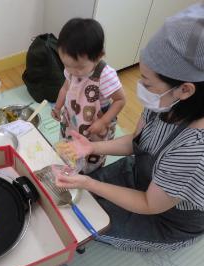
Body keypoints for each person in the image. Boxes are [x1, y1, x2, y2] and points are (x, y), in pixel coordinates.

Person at [55, 4, 204, 251]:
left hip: (166, 215)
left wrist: (89, 184)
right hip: (141, 174)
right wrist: (92, 145)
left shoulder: (193, 150)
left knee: (83, 222)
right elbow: (137, 140)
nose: (141, 89)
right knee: (75, 198)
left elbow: (149, 203)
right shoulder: (165, 102)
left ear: (185, 89)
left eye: (147, 83)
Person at [51, 18, 126, 174]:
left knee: (91, 159)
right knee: (69, 147)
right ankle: (70, 165)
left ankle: (90, 177)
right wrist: (57, 107)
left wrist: (104, 121)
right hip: (72, 118)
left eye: (79, 67)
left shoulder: (105, 75)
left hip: (95, 125)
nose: (72, 71)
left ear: (99, 56)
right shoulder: (71, 69)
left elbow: (120, 100)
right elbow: (65, 88)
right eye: (66, 65)